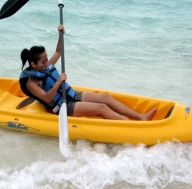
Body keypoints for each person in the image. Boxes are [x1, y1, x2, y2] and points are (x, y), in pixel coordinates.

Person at [19, 24, 156, 121]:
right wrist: (59, 82)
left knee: (106, 98)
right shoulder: (32, 82)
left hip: (72, 95)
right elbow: (47, 98)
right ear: (33, 64)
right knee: (101, 108)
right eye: (43, 62)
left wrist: (60, 34)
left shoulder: (45, 67)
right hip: (63, 107)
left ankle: (139, 116)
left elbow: (59, 52)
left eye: (46, 60)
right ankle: (131, 125)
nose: (47, 63)